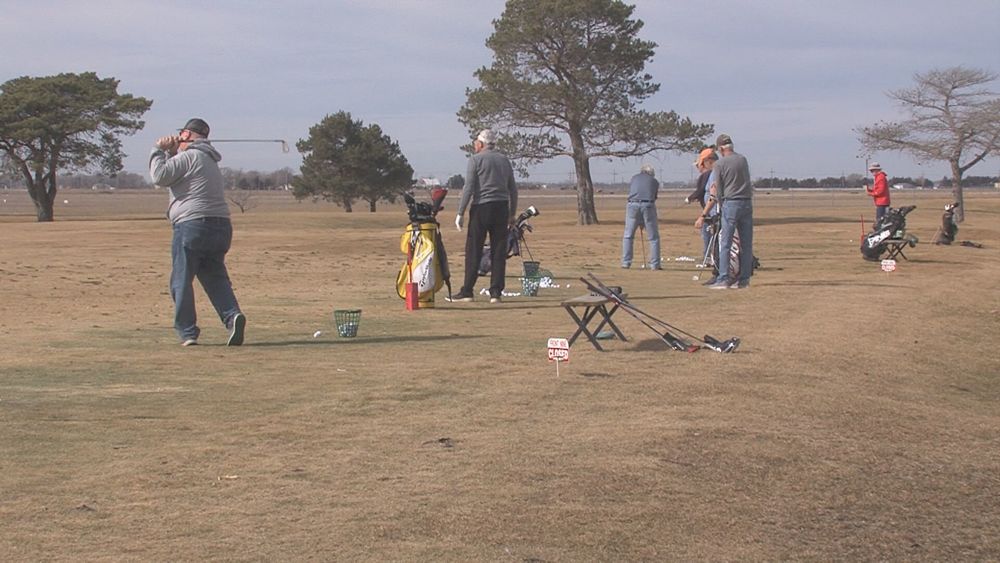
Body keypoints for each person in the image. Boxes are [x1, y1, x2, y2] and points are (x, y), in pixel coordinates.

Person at [149, 118, 246, 346]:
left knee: (181, 280)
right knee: (215, 277)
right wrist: (172, 152)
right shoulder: (209, 159)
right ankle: (232, 316)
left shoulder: (189, 156)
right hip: (221, 226)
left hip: (192, 225)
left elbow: (159, 177)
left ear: (186, 135)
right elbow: (177, 175)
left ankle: (187, 332)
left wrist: (158, 150)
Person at [453, 129, 518, 303]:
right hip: (501, 208)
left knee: (474, 249)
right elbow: (513, 189)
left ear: (481, 144)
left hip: (481, 208)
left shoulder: (475, 160)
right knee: (499, 251)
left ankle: (467, 291)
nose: (474, 145)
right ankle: (495, 292)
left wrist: (460, 212)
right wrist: (512, 213)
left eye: (476, 142)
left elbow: (469, 188)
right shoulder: (504, 160)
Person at [705, 133, 754, 290]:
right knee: (746, 244)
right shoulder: (742, 160)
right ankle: (744, 279)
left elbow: (718, 189)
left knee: (725, 242)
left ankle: (724, 278)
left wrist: (718, 200)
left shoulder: (720, 164)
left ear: (720, 149)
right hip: (746, 202)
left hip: (731, 203)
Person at [621, 164, 661, 269]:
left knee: (628, 235)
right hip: (648, 205)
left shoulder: (634, 178)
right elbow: (654, 196)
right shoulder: (654, 181)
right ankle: (655, 264)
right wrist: (644, 221)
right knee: (653, 237)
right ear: (651, 173)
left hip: (632, 204)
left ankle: (625, 262)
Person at [687, 147, 719, 262]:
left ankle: (710, 257)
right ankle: (710, 256)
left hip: (712, 212)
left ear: (706, 162)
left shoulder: (709, 174)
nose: (698, 168)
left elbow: (702, 192)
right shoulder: (711, 174)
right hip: (709, 211)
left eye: (699, 165)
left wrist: (690, 198)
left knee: (709, 235)